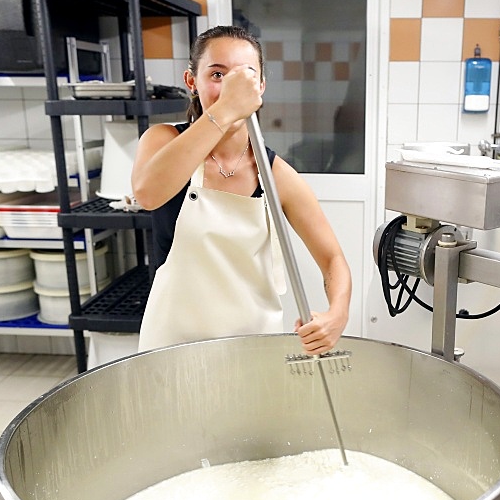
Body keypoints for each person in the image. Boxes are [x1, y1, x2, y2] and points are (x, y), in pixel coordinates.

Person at [132, 25, 351, 355]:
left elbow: (333, 259)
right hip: (172, 341)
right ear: (192, 81)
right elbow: (148, 194)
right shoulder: (163, 141)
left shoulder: (274, 174)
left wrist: (337, 314)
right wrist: (225, 109)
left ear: (260, 86)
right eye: (217, 74)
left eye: (244, 76)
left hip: (253, 343)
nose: (230, 86)